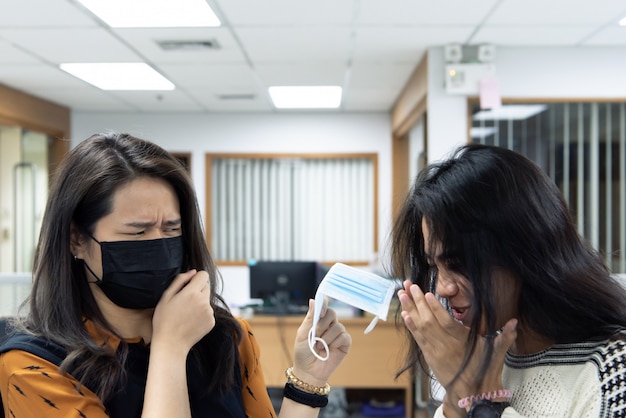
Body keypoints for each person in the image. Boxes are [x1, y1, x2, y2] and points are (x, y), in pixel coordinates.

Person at [0, 132, 351, 418]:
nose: (158, 244)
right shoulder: (32, 366)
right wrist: (169, 348)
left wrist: (306, 378)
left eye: (171, 229)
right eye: (137, 233)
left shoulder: (227, 337)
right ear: (77, 239)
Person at [390, 143, 626, 417]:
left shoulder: (611, 368)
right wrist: (457, 401)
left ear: (522, 249)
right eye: (434, 266)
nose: (443, 287)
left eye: (458, 264)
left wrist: (483, 403)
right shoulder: (488, 353)